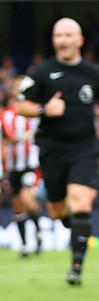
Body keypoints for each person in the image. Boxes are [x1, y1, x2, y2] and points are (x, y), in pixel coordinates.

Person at [15, 18, 99, 285]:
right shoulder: (41, 72)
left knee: (81, 201)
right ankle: (73, 226)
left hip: (84, 148)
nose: (62, 40)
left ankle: (76, 267)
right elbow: (20, 105)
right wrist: (43, 110)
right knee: (58, 211)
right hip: (52, 150)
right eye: (58, 35)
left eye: (68, 35)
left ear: (79, 40)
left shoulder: (93, 73)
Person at [3, 78, 44, 257]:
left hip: (31, 165)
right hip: (13, 166)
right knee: (18, 207)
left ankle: (38, 230)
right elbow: (10, 136)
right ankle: (26, 245)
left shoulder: (34, 111)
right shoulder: (7, 114)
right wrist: (24, 136)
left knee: (28, 199)